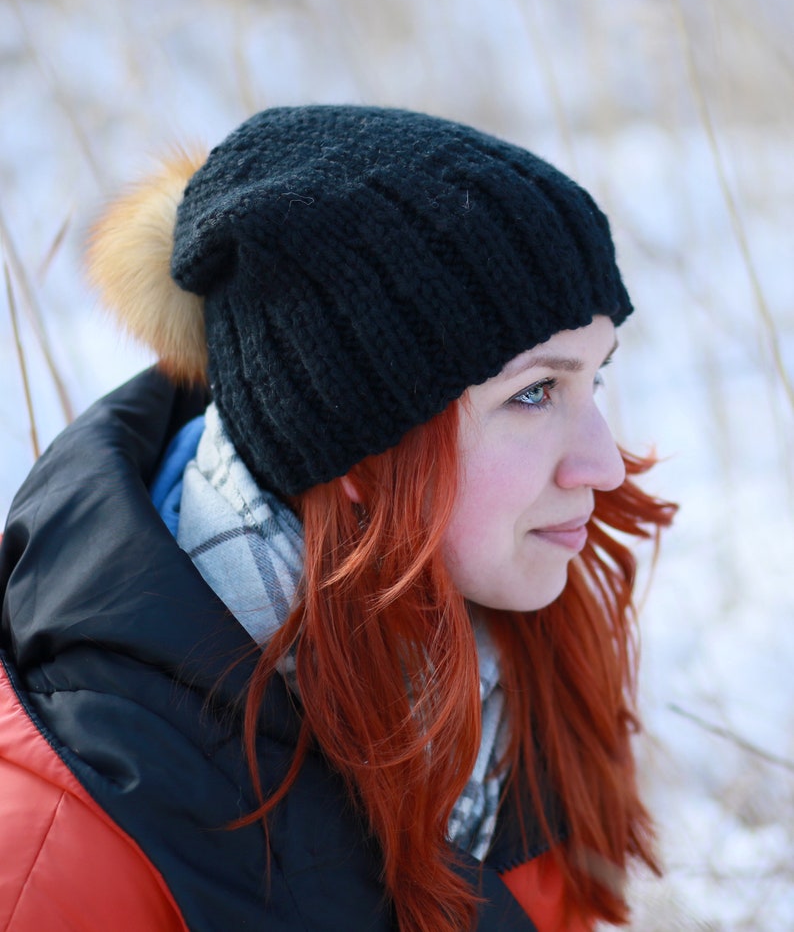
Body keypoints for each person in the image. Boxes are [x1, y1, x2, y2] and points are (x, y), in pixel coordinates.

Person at [0, 105, 675, 932]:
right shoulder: (66, 853)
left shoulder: (508, 683)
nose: (603, 465)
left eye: (594, 381)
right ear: (356, 454)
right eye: (534, 392)